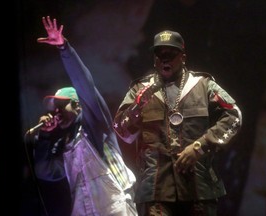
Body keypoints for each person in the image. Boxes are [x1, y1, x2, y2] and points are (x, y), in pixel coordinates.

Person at [113, 30, 242, 215]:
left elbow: (234, 115)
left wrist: (201, 145)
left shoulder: (203, 85)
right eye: (160, 54)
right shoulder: (140, 89)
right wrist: (137, 107)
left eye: (171, 54)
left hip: (198, 188)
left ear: (183, 57)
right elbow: (121, 131)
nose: (165, 59)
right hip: (155, 191)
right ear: (154, 59)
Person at [30, 16, 138, 216]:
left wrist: (64, 49)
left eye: (61, 106)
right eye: (54, 108)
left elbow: (83, 83)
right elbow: (46, 172)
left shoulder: (96, 123)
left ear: (78, 106)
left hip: (116, 208)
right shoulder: (62, 143)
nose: (56, 111)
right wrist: (45, 137)